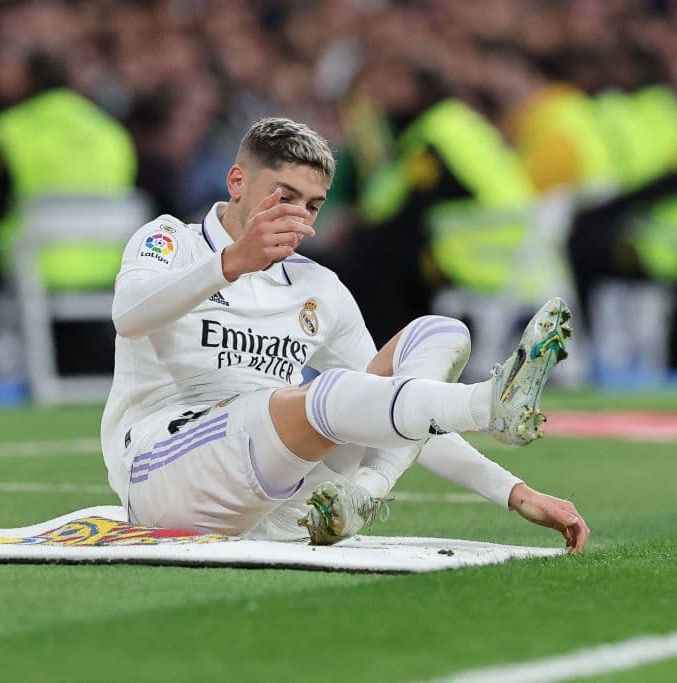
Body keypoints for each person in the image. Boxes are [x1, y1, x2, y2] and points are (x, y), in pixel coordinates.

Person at [100, 117, 590, 552]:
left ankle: (369, 491)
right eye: (284, 195)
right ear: (237, 182)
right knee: (324, 393)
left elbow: (396, 405)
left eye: (312, 205)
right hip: (165, 473)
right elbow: (128, 314)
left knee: (437, 333)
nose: (298, 215)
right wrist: (229, 264)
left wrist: (514, 492)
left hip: (290, 505)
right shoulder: (170, 240)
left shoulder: (318, 285)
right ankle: (487, 406)